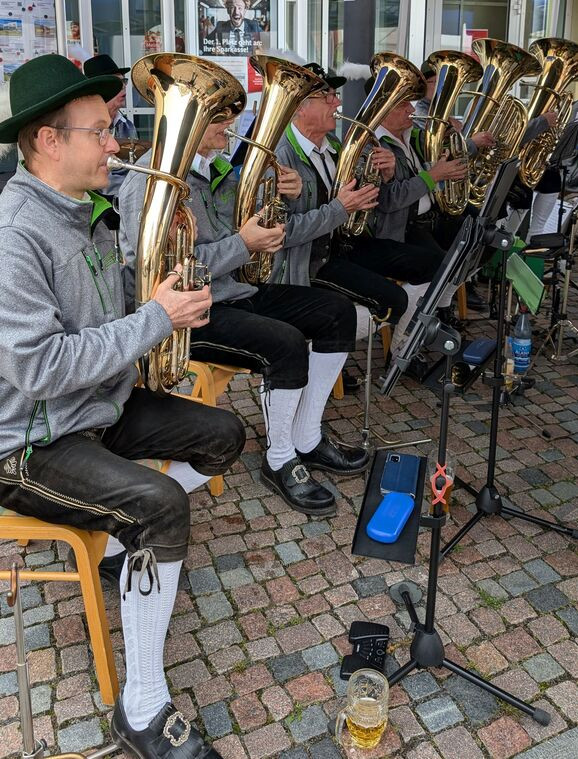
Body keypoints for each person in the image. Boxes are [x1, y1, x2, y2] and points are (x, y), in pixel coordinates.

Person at [0, 54, 245, 759]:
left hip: (96, 410)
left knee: (225, 434)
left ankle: (118, 544)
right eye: (100, 132)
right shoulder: (16, 234)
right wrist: (155, 319)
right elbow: (40, 369)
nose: (116, 143)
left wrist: (169, 293)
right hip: (30, 442)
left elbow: (112, 314)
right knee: (161, 505)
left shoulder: (86, 211)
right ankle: (140, 710)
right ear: (50, 141)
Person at [119, 110, 369, 519]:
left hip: (234, 292)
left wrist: (283, 197)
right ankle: (280, 459)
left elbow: (250, 228)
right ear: (188, 121)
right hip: (187, 315)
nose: (231, 126)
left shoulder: (214, 169)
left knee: (336, 311)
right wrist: (244, 243)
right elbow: (161, 271)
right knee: (286, 343)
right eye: (219, 118)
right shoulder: (147, 182)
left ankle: (307, 437)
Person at [273, 62, 409, 352]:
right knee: (391, 301)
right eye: (328, 97)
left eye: (335, 95)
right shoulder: (281, 157)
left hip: (342, 247)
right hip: (307, 264)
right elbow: (283, 233)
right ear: (300, 107)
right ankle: (321, 347)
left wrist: (386, 174)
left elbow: (361, 195)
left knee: (407, 283)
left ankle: (327, 344)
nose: (337, 103)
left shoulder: (333, 145)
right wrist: (341, 208)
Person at [84, 54, 138, 195]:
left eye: (124, 81)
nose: (123, 86)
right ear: (100, 89)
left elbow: (134, 168)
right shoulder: (84, 126)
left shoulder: (127, 125)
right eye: (116, 82)